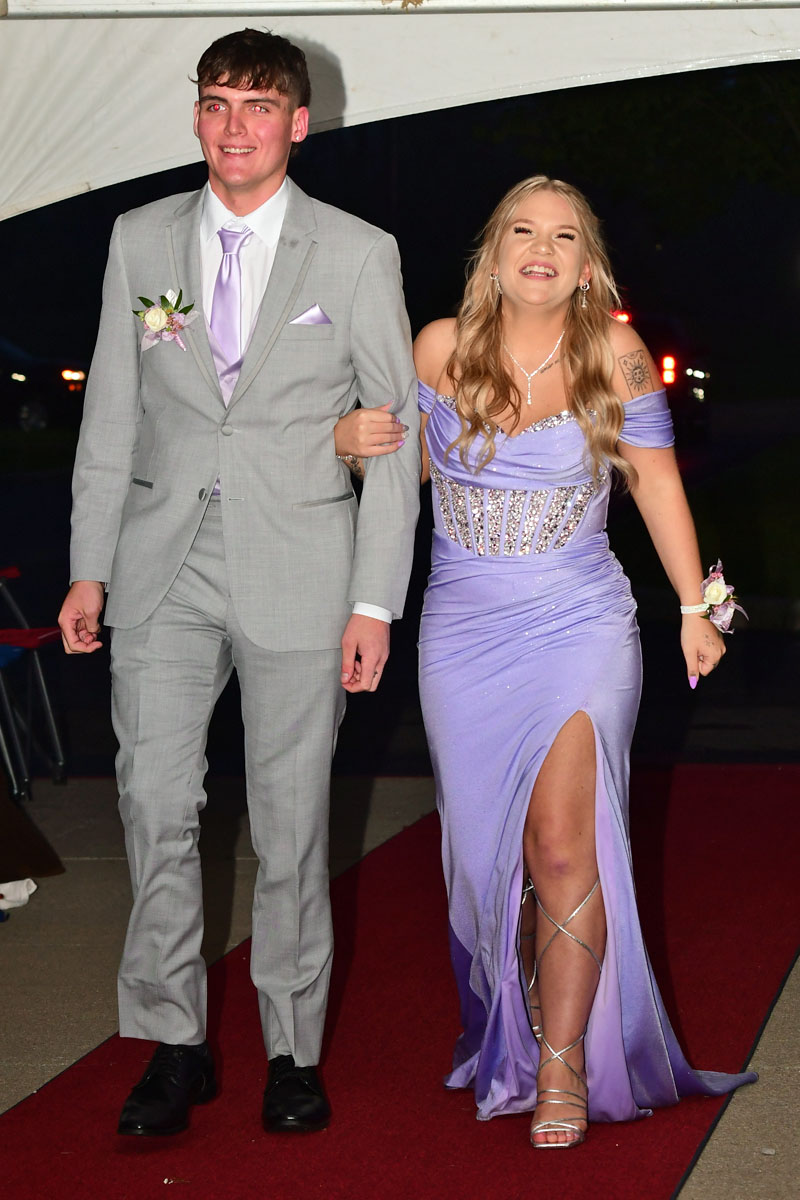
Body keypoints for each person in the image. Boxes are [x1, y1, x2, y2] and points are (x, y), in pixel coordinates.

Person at [334, 175, 754, 1147]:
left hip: (580, 625)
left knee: (565, 846)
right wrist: (348, 443)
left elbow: (651, 481)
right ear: (491, 252)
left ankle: (561, 1064)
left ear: (584, 262)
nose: (540, 246)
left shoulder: (613, 351)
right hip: (462, 632)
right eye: (522, 229)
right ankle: (519, 1002)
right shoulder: (437, 346)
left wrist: (695, 607)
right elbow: (402, 473)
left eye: (562, 235)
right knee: (494, 864)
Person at [57, 28, 420, 1137]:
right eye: (215, 104)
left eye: (257, 108)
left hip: (302, 569)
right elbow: (111, 412)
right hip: (160, 565)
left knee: (292, 821)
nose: (232, 127)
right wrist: (87, 569)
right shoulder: (138, 239)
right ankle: (176, 1042)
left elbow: (391, 436)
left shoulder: (357, 252)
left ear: (297, 124)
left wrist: (373, 601)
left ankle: (291, 1050)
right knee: (154, 804)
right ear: (198, 115)